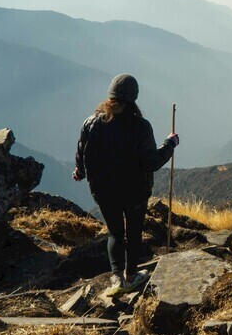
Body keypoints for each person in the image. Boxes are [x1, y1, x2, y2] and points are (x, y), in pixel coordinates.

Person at [73, 74, 179, 295]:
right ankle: (131, 277)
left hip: (103, 191)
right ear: (134, 97)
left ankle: (116, 278)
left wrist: (80, 172)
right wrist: (170, 144)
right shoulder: (140, 126)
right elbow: (152, 162)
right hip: (135, 191)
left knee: (115, 233)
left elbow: (83, 152)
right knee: (134, 232)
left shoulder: (91, 123)